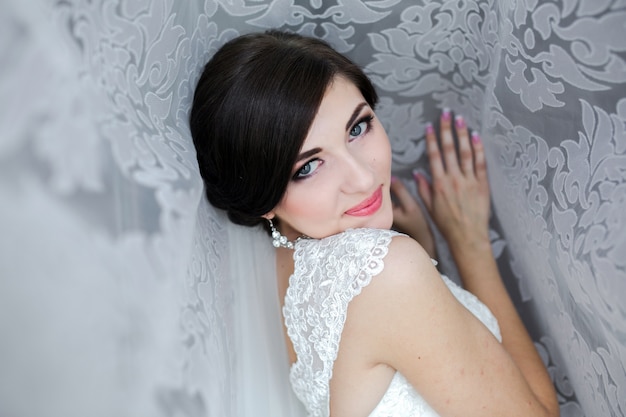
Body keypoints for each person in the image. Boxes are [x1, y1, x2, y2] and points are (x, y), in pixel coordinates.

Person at [189, 30, 559, 417]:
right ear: (262, 199)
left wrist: (424, 259)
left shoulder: (279, 268)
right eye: (309, 166)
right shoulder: (387, 273)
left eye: (357, 128)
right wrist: (471, 247)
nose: (363, 179)